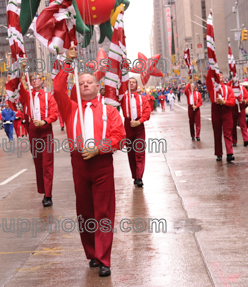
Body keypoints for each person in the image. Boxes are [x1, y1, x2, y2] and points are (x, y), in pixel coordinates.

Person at [53, 45, 126, 277]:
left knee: (103, 211)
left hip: (102, 164)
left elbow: (120, 137)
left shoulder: (109, 110)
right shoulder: (70, 108)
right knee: (85, 212)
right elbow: (57, 87)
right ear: (77, 86)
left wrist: (99, 149)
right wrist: (67, 61)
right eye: (81, 82)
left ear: (97, 87)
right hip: (79, 164)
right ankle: (93, 252)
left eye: (89, 82)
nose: (85, 84)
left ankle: (105, 258)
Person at [8, 72, 59, 207]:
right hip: (33, 131)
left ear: (42, 81)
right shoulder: (27, 95)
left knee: (47, 163)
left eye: (36, 78)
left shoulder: (49, 97)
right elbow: (19, 86)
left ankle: (48, 195)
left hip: (46, 130)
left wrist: (44, 121)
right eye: (32, 79)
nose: (34, 80)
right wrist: (21, 69)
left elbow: (55, 114)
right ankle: (43, 190)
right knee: (38, 162)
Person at [119, 77, 151, 187]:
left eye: (133, 82)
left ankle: (140, 177)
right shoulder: (123, 97)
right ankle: (134, 176)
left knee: (140, 151)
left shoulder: (142, 98)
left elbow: (147, 112)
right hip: (128, 125)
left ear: (136, 85)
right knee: (131, 152)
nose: (131, 84)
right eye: (130, 82)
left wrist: (140, 121)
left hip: (139, 126)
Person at [207, 71, 235, 162]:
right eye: (218, 75)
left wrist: (224, 102)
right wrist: (211, 67)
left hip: (226, 111)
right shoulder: (212, 87)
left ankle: (229, 153)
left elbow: (233, 102)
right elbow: (208, 78)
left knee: (228, 132)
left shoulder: (228, 88)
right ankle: (219, 153)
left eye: (221, 75)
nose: (220, 76)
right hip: (215, 110)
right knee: (217, 133)